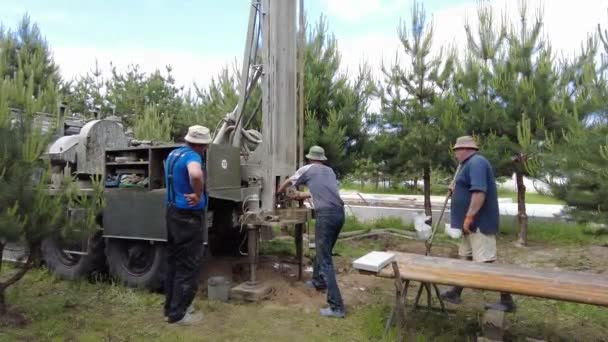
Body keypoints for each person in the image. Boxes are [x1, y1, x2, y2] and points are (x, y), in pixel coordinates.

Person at [440, 135, 516, 312]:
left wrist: (469, 217)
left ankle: (507, 300)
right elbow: (468, 188)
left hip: (479, 223)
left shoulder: (477, 163)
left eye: (457, 150)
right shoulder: (466, 165)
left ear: (466, 149)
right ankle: (456, 292)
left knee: (486, 262)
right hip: (469, 225)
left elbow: (479, 192)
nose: (455, 154)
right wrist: (455, 188)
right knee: (465, 258)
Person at [277, 145, 346, 318]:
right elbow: (322, 191)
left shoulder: (307, 169)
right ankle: (317, 281)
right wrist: (303, 196)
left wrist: (278, 192)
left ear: (309, 159)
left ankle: (336, 307)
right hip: (339, 213)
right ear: (322, 159)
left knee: (325, 260)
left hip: (326, 215)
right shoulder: (330, 171)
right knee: (325, 251)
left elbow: (289, 182)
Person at [163, 125, 211, 325]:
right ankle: (179, 315)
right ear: (201, 144)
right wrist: (198, 194)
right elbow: (196, 175)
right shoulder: (193, 157)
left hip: (172, 212)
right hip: (188, 216)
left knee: (174, 261)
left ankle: (170, 308)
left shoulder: (174, 154)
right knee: (188, 264)